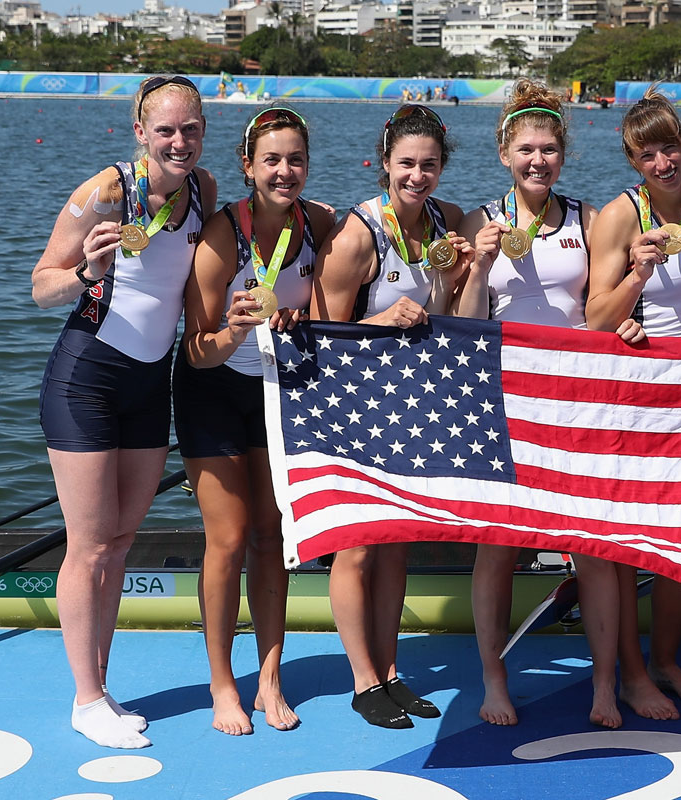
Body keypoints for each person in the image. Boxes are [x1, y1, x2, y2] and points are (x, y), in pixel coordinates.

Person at [31, 75, 216, 749]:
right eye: (164, 130)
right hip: (85, 380)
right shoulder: (105, 191)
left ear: (202, 132)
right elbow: (39, 287)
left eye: (189, 129)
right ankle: (86, 700)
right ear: (140, 133)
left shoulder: (205, 191)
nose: (178, 141)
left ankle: (102, 687)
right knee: (88, 545)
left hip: (149, 384)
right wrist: (85, 272)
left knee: (118, 544)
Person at [454, 79, 638, 729]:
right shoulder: (477, 222)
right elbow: (465, 324)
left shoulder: (588, 220)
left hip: (576, 400)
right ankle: (494, 679)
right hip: (505, 402)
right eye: (527, 149)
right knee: (497, 547)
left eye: (550, 150)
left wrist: (628, 327)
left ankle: (605, 686)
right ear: (505, 153)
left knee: (594, 548)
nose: (539, 160)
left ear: (563, 156)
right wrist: (476, 268)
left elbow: (604, 312)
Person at [311, 103, 474, 729]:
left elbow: (455, 305)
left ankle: (392, 670)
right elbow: (322, 330)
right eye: (406, 164)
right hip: (357, 402)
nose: (417, 176)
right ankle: (362, 680)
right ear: (384, 165)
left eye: (429, 165)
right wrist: (380, 321)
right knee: (356, 550)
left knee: (398, 547)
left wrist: (463, 271)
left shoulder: (447, 221)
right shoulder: (359, 233)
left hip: (417, 400)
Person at [177, 106, 335, 736]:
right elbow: (195, 347)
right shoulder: (221, 235)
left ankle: (270, 678)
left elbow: (344, 285)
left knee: (275, 537)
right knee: (230, 535)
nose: (284, 170)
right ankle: (223, 684)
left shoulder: (318, 222)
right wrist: (235, 328)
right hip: (210, 388)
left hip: (277, 390)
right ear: (248, 167)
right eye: (271, 160)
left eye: (295, 159)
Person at [586, 87, 681, 721]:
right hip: (637, 390)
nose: (662, 162)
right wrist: (636, 276)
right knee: (630, 540)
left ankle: (666, 658)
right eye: (647, 155)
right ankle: (634, 676)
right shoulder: (619, 216)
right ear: (634, 163)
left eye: (669, 147)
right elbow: (594, 318)